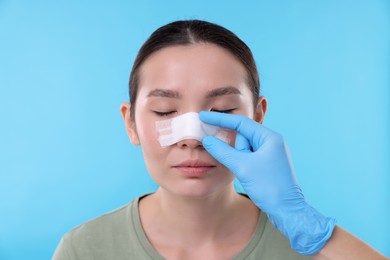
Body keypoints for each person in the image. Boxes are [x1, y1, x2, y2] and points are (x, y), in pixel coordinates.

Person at [53, 20, 387, 260]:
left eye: (222, 111)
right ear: (131, 123)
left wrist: (314, 233)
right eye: (166, 112)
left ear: (257, 117)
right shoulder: (84, 249)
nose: (192, 139)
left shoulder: (315, 250)